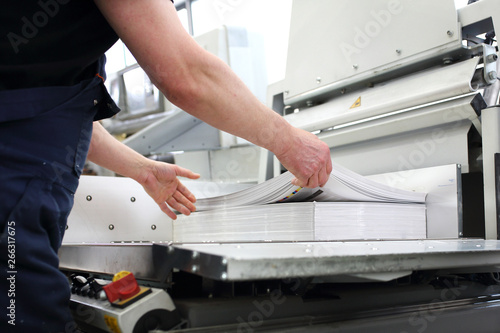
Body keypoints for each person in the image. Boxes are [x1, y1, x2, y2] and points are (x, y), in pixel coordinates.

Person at [0, 0, 332, 331]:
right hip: (14, 191)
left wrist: (143, 170)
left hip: (19, 180)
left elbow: (60, 114)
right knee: (26, 315)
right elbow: (185, 75)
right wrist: (288, 141)